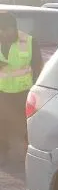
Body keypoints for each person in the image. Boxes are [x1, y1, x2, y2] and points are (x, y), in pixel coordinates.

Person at [0, 11, 43, 164]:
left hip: (24, 92)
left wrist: (37, 89)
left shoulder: (29, 41)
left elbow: (37, 66)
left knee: (27, 124)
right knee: (2, 124)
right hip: (2, 93)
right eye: (0, 29)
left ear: (14, 28)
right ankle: (3, 152)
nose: (3, 33)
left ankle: (29, 154)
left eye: (6, 29)